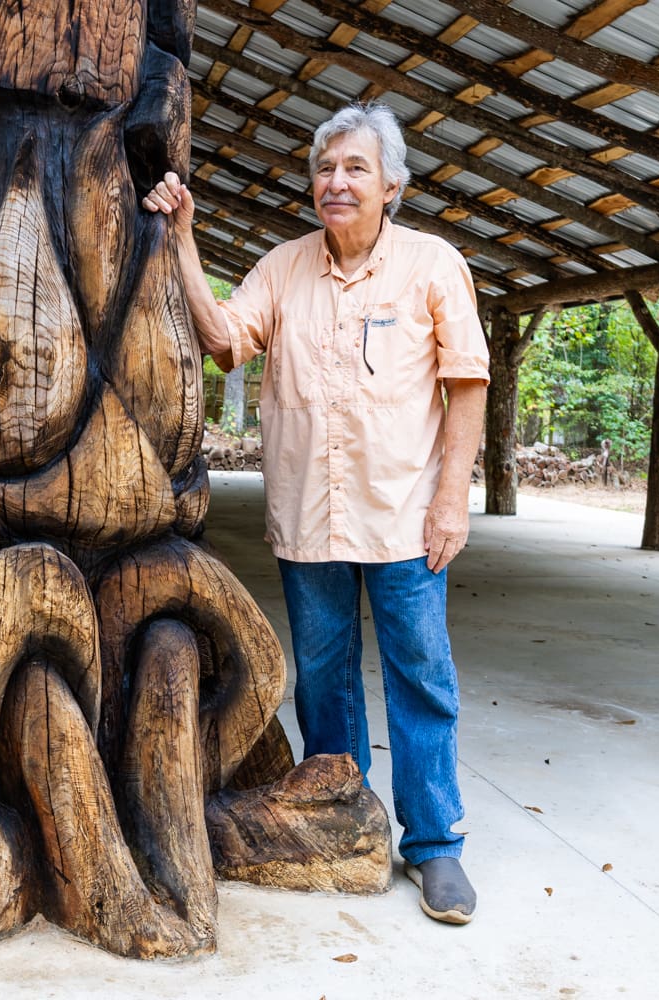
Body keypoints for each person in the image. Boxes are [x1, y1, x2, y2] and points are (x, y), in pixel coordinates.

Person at [142, 101, 489, 925]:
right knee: (324, 681)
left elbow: (466, 381)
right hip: (311, 519)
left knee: (421, 681)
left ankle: (435, 846)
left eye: (356, 169)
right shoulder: (283, 268)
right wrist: (184, 238)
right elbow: (227, 340)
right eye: (326, 169)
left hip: (405, 519)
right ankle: (344, 819)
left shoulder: (432, 265)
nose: (337, 182)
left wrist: (452, 502)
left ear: (393, 185)